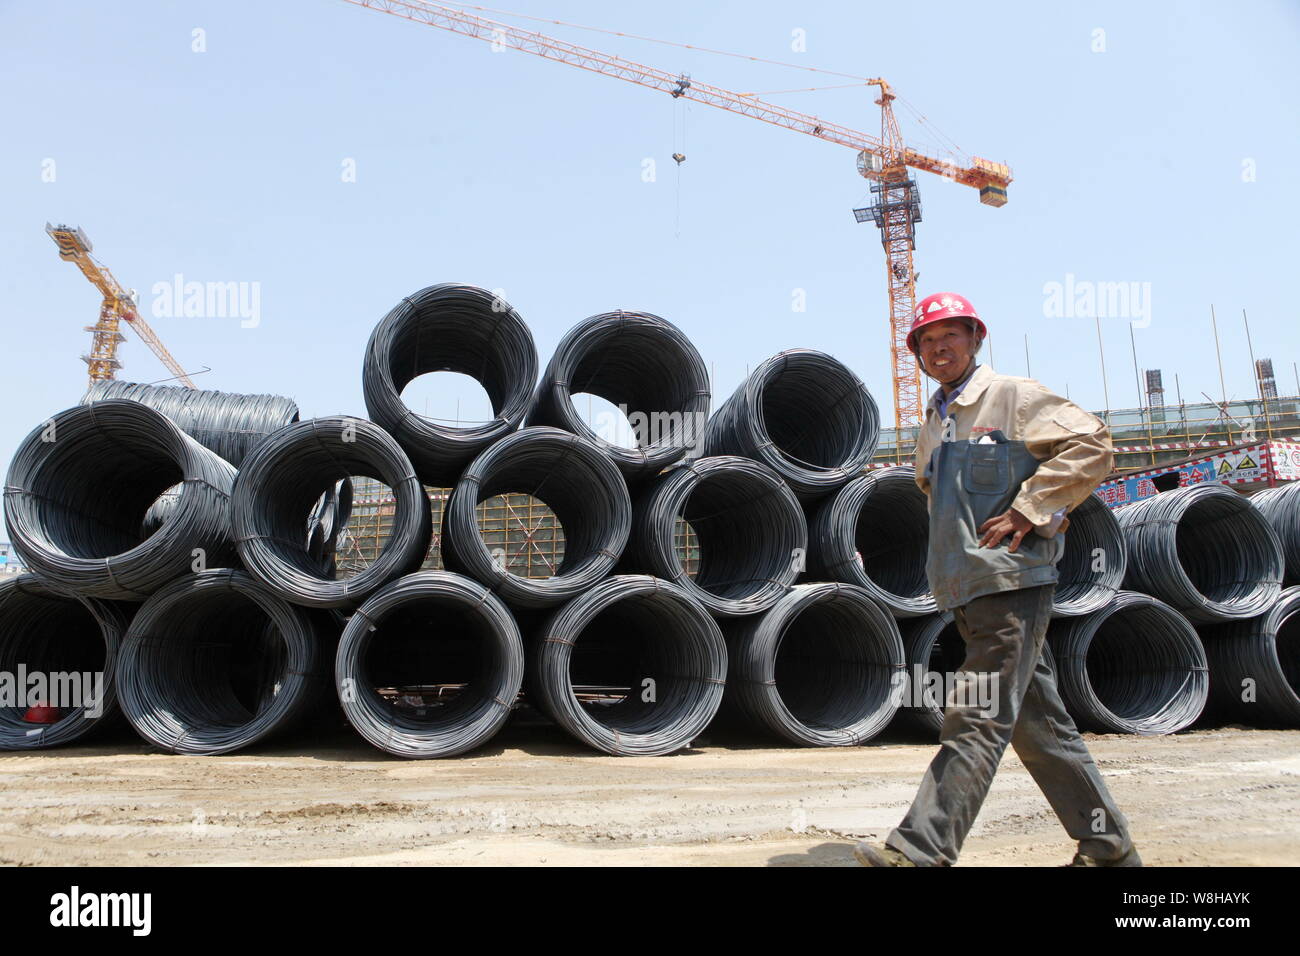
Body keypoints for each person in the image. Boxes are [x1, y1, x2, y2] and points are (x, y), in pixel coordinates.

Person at [854, 292, 1141, 868]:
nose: (938, 349)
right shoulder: (935, 422)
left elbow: (1092, 442)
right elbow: (936, 498)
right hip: (968, 588)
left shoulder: (1012, 396)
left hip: (1012, 582)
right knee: (1040, 728)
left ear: (974, 340)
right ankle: (1109, 849)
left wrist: (1031, 509)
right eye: (927, 342)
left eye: (949, 337)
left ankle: (922, 849)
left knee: (977, 714)